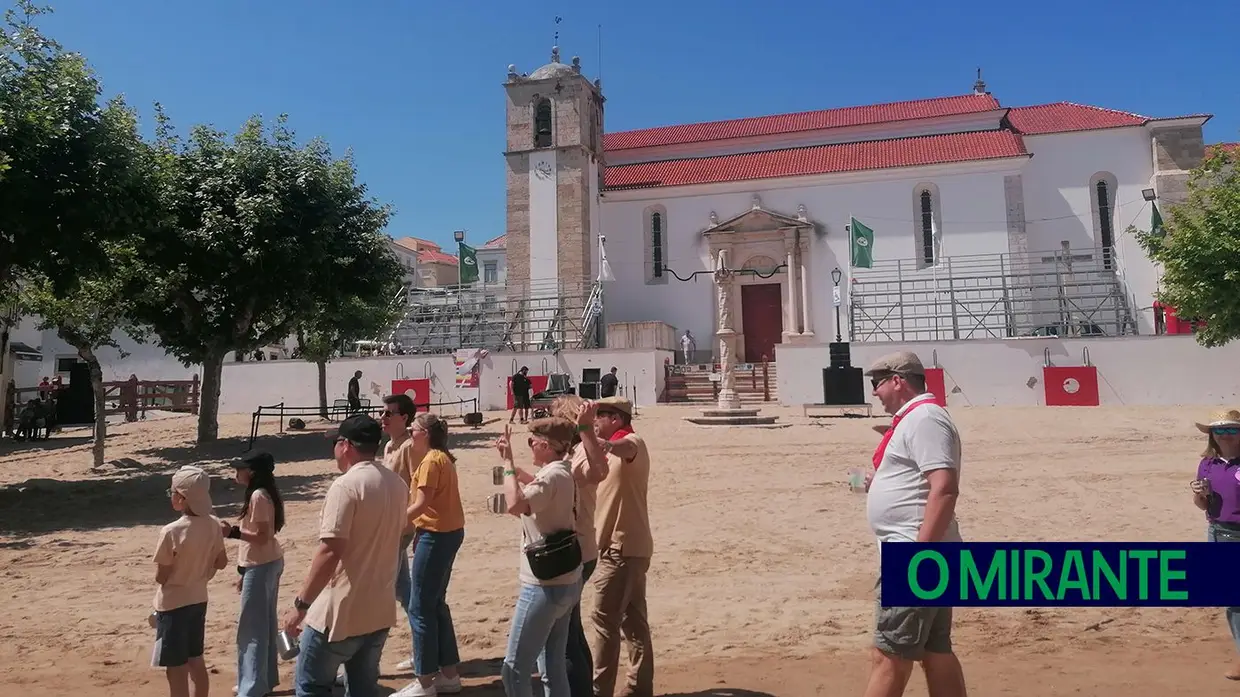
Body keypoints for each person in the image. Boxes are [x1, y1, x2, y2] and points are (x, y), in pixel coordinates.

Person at [862, 350, 968, 697]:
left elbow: (945, 487)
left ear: (898, 381)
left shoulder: (924, 418)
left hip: (916, 552)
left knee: (889, 654)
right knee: (935, 652)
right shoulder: (919, 418)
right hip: (928, 551)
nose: (875, 393)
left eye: (878, 384)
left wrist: (918, 557)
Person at [281, 414, 409, 697]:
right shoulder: (397, 484)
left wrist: (300, 606)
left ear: (346, 445)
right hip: (378, 608)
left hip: (340, 611)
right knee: (363, 688)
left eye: (337, 442)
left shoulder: (346, 486)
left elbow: (329, 551)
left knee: (311, 687)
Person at [497, 417, 584, 697]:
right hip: (567, 579)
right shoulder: (563, 471)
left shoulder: (552, 475)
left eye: (532, 442)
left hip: (543, 585)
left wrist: (508, 465)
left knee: (514, 670)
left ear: (545, 446)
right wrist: (516, 469)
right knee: (553, 666)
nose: (531, 447)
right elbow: (542, 487)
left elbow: (515, 505)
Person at [394, 413, 466, 697]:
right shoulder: (441, 457)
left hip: (437, 536)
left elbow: (422, 503)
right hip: (446, 533)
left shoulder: (431, 460)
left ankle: (425, 681)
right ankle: (449, 674)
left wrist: (392, 523)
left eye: (415, 428)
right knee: (435, 604)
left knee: (420, 606)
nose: (411, 430)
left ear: (425, 433)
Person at [590, 396, 654, 697]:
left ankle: (600, 690)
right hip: (628, 546)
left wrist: (603, 444)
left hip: (622, 548)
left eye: (600, 416)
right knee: (633, 621)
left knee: (604, 622)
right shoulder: (612, 447)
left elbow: (627, 448)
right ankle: (637, 687)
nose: (595, 421)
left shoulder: (630, 442)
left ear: (615, 419)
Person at [549, 396, 609, 697]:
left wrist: (585, 429)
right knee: (571, 629)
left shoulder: (581, 453)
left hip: (576, 551)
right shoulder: (574, 452)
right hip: (581, 548)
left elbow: (598, 471)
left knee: (565, 637)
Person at [151, 466, 229, 697]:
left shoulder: (171, 532)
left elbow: (161, 575)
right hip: (198, 599)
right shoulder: (214, 524)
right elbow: (222, 562)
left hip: (173, 603)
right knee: (196, 659)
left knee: (175, 667)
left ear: (182, 498)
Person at [223, 451, 286, 697]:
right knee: (263, 625)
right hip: (265, 563)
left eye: (240, 468)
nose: (236, 472)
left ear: (251, 472)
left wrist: (232, 533)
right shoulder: (264, 494)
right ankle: (261, 680)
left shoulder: (259, 496)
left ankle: (252, 687)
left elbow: (262, 536)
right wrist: (243, 572)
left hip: (262, 564)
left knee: (252, 628)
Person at [1190, 408, 1240, 680]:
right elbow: (1202, 506)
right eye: (1219, 430)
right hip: (1217, 533)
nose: (1224, 435)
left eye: (1231, 429)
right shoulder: (1208, 464)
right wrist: (1201, 496)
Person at [382, 393, 422, 672]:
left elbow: (421, 488)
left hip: (403, 527)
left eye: (388, 413)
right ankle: (424, 651)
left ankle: (424, 653)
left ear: (404, 417)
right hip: (389, 527)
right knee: (403, 591)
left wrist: (418, 529)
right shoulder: (389, 446)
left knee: (394, 591)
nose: (382, 418)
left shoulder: (410, 447)